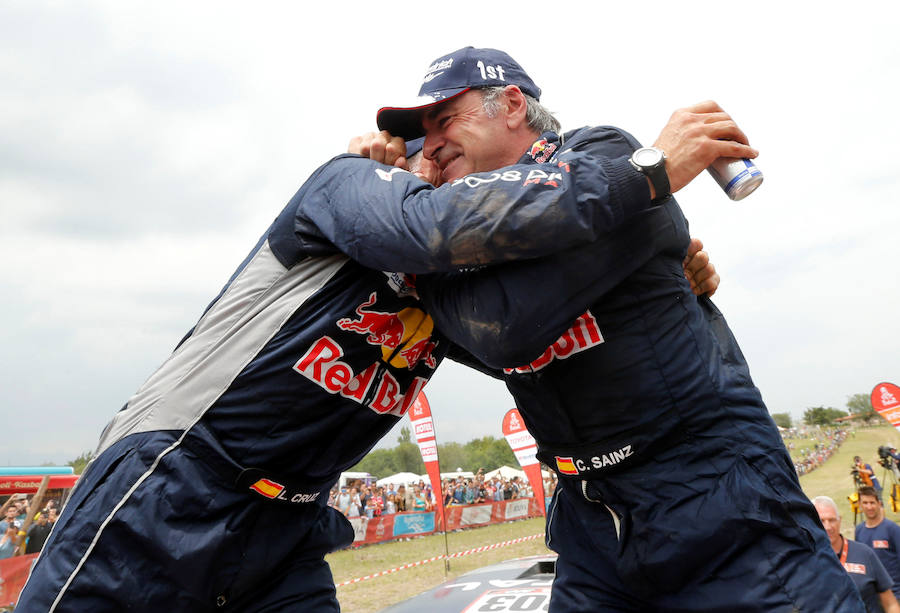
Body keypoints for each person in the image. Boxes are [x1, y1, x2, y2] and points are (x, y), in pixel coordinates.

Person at [20, 120, 706, 612]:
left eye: (447, 133)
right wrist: (643, 175)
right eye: (420, 139)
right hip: (174, 481)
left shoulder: (455, 297)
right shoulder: (346, 184)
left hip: (286, 527)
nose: (434, 150)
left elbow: (539, 349)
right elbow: (431, 226)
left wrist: (666, 280)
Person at [373, 46, 863, 611]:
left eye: (444, 120)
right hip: (590, 516)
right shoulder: (469, 234)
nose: (428, 145)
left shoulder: (605, 154)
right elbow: (481, 344)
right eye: (420, 135)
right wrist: (393, 185)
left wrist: (411, 249)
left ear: (511, 105)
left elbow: (502, 328)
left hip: (711, 495)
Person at [814, 495, 900, 613]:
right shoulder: (805, 562)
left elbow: (890, 604)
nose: (828, 527)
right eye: (821, 521)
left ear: (840, 520)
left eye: (832, 520)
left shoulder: (865, 553)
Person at [857, 486, 900, 602]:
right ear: (860, 505)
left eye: (872, 502)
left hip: (895, 595)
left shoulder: (893, 529)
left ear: (879, 503)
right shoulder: (859, 530)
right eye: (865, 503)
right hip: (872, 598)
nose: (869, 507)